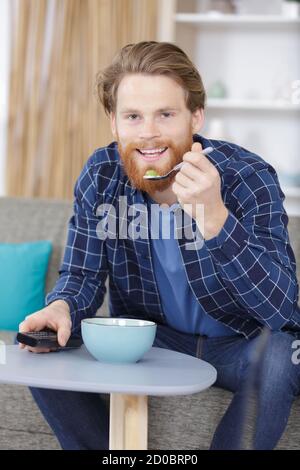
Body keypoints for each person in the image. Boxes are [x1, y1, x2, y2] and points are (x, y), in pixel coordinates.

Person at [18, 41, 300, 450]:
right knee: (36, 345)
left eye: (166, 114)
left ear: (195, 117)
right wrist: (59, 308)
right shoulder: (101, 174)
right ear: (114, 122)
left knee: (283, 355)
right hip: (154, 342)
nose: (149, 132)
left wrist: (215, 218)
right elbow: (81, 275)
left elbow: (284, 311)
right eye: (133, 116)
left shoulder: (248, 177)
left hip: (242, 344)